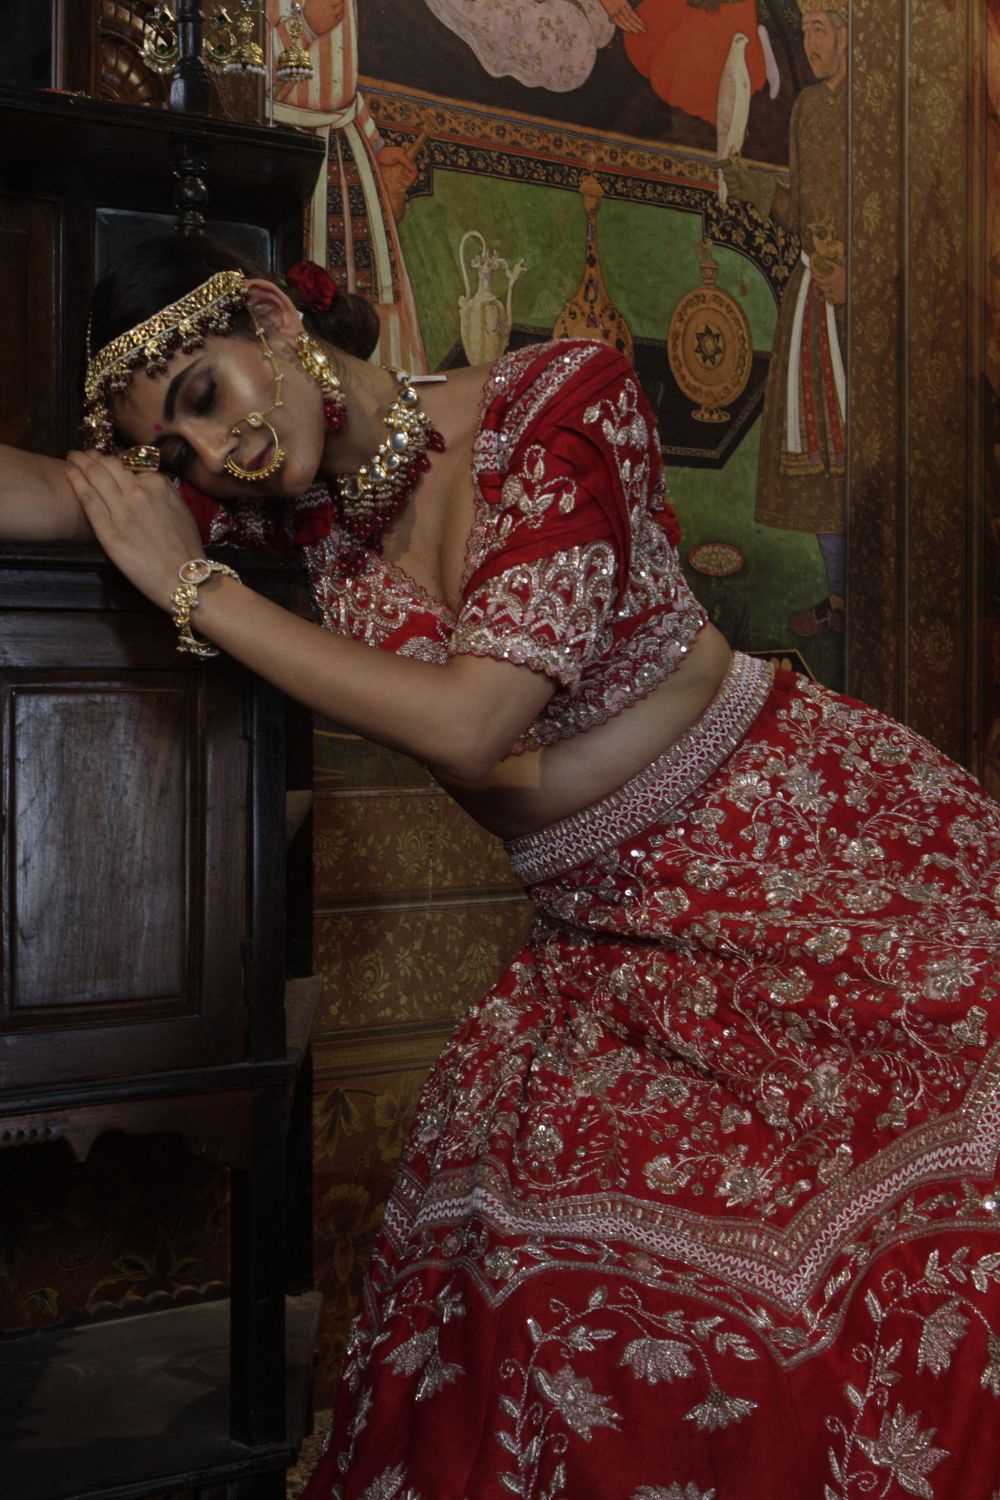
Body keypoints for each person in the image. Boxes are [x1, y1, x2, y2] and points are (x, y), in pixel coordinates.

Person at [5, 232, 1000, 1498]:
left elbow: (479, 722)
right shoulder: (284, 500)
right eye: (177, 450)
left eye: (208, 394)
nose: (215, 454)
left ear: (268, 316)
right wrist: (152, 517)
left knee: (946, 1237)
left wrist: (197, 589)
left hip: (803, 847)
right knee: (552, 1308)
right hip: (606, 938)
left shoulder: (560, 403)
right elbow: (53, 491)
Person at [723, 2, 848, 640]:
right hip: (813, 296)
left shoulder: (874, 113)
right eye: (804, 32)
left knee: (862, 450)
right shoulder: (807, 111)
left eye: (820, 30)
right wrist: (747, 189)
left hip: (865, 308)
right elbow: (798, 207)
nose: (809, 44)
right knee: (821, 456)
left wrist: (861, 276)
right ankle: (841, 598)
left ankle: (876, 596)